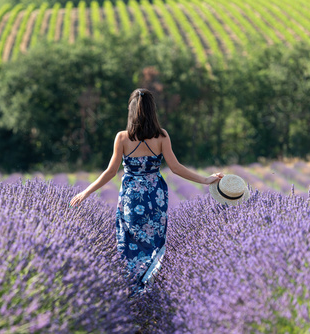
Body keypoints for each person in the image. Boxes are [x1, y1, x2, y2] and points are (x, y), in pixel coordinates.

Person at [69, 88, 223, 297]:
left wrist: (86, 192)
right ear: (153, 111)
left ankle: (134, 290)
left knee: (131, 243)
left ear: (131, 111)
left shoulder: (122, 138)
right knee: (153, 243)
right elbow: (176, 167)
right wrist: (205, 180)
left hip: (132, 199)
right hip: (155, 198)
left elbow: (110, 172)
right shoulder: (161, 136)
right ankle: (150, 289)